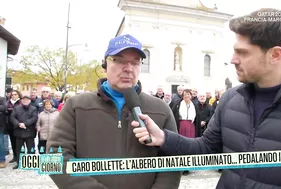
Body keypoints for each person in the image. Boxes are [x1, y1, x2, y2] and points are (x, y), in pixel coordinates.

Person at [131, 8, 281, 188]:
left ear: (275, 55)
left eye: (242, 52)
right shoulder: (231, 99)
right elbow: (206, 149)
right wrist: (164, 138)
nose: (232, 59)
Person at [46, 34, 181, 189]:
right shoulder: (77, 106)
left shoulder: (160, 109)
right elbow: (54, 159)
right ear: (105, 64)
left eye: (135, 62)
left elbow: (172, 163)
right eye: (119, 60)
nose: (128, 68)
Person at [10, 96, 38, 169]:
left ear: (29, 101)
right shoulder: (16, 108)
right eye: (24, 99)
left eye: (27, 99)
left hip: (29, 132)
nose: (25, 101)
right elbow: (12, 117)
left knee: (30, 149)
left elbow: (34, 118)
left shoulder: (34, 109)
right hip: (19, 131)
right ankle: (19, 163)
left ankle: (31, 163)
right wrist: (18, 124)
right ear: (21, 101)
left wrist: (25, 124)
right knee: (19, 149)